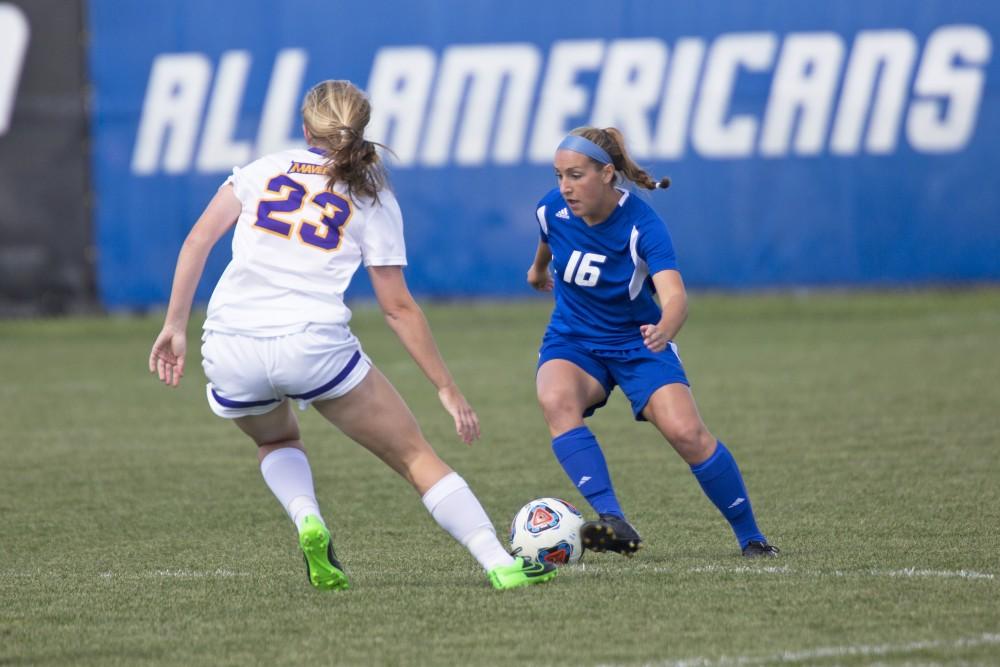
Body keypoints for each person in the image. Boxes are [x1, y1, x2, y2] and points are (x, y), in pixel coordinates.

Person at [149, 80, 557, 591]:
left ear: (305, 129)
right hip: (310, 342)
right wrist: (446, 388)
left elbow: (197, 241)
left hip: (232, 342)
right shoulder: (371, 193)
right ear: (361, 130)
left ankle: (307, 519)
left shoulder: (263, 170)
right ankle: (500, 563)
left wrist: (173, 326)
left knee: (276, 438)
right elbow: (398, 308)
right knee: (414, 455)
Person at [526, 127, 778, 558]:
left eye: (575, 175)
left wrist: (666, 327)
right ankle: (612, 519)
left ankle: (751, 537)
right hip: (574, 340)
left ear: (607, 174)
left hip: (639, 343)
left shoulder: (643, 225)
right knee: (554, 398)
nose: (565, 187)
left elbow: (675, 295)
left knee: (687, 433)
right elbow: (548, 241)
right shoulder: (552, 208)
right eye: (558, 175)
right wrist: (536, 272)